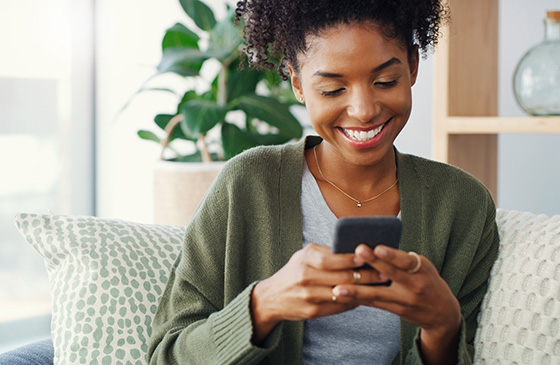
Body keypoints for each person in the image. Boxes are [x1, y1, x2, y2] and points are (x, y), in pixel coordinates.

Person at [147, 0, 500, 364]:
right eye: (332, 90)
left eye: (385, 81)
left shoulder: (462, 205)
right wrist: (263, 304)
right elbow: (166, 356)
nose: (364, 110)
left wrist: (442, 326)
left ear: (412, 65)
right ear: (298, 85)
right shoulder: (248, 185)